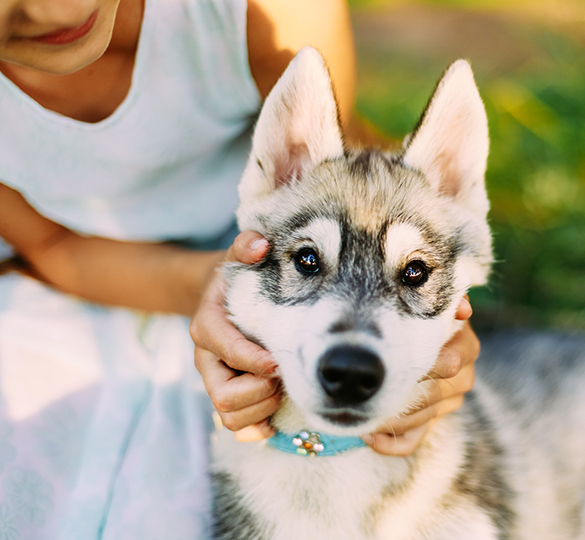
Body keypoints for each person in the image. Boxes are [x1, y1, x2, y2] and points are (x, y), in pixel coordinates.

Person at [0, 0, 480, 536]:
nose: (53, 10)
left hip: (267, 267)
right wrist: (219, 287)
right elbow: (54, 247)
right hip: (85, 289)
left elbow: (351, 178)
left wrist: (425, 310)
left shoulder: (266, 11)